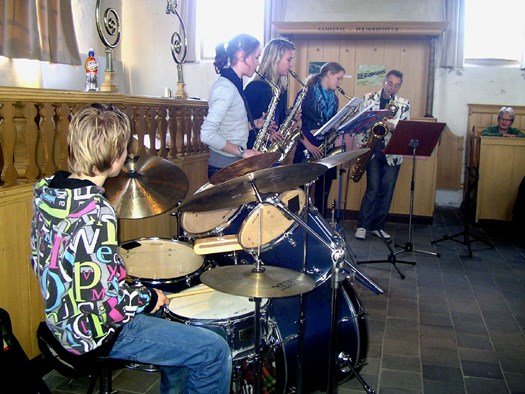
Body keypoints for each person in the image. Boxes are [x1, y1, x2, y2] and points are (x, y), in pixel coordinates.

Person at [30, 104, 232, 394]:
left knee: (177, 334)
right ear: (114, 158)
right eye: (123, 148)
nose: (126, 155)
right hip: (94, 334)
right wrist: (148, 297)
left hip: (59, 321)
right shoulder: (95, 212)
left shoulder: (48, 195)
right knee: (213, 350)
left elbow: (49, 264)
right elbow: (110, 303)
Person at [354, 69, 410, 240]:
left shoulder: (404, 103)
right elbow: (360, 123)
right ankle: (363, 225)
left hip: (393, 153)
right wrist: (361, 146)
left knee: (387, 191)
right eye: (390, 83)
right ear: (384, 82)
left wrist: (393, 126)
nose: (392, 88)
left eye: (396, 85)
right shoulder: (369, 98)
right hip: (372, 150)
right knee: (373, 188)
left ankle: (378, 226)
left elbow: (406, 128)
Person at [200, 33, 262, 179]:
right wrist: (242, 152)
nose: (258, 62)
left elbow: (229, 126)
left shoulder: (235, 83)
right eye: (256, 57)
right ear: (242, 56)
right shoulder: (226, 88)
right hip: (223, 168)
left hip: (232, 165)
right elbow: (207, 134)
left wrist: (254, 124)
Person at [293, 61, 346, 215]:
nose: (340, 82)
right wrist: (308, 145)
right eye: (338, 78)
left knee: (324, 190)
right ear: (329, 74)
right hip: (306, 144)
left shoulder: (334, 99)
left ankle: (321, 224)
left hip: (325, 146)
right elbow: (294, 123)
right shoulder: (307, 92)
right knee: (300, 189)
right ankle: (297, 224)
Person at [244, 37, 296, 149]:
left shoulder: (280, 89)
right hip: (252, 151)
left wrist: (290, 116)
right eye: (288, 60)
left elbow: (279, 121)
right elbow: (241, 122)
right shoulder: (255, 87)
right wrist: (267, 134)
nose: (291, 64)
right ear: (275, 59)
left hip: (271, 150)